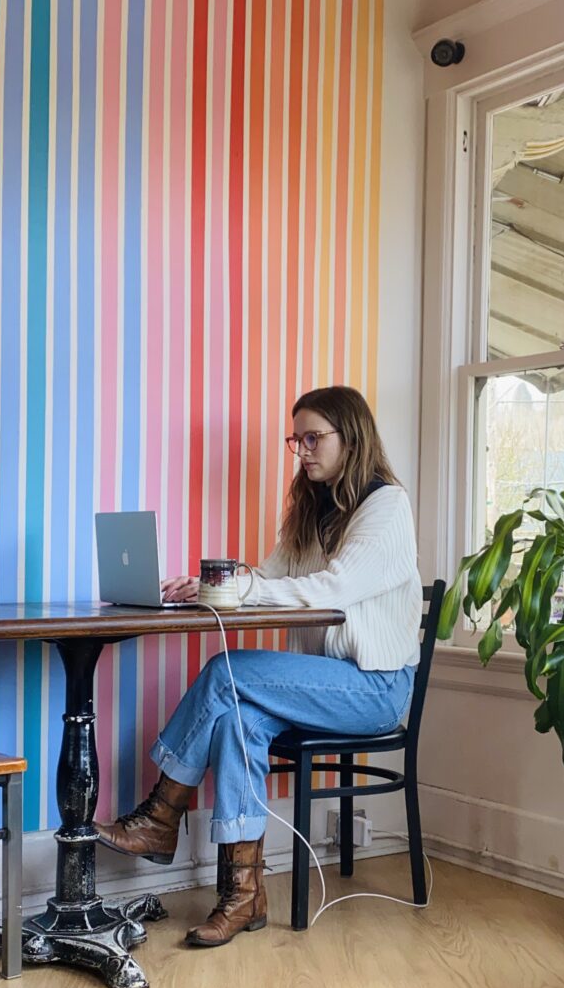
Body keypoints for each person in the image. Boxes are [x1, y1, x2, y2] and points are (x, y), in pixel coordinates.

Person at [95, 385, 423, 947]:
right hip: (324, 686)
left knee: (227, 671)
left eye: (314, 438)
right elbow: (267, 582)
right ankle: (244, 892)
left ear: (353, 437)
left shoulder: (386, 506)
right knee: (238, 719)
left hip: (375, 688)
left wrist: (241, 587)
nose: (303, 451)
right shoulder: (312, 510)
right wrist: (205, 589)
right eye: (297, 440)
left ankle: (160, 814)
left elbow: (336, 588)